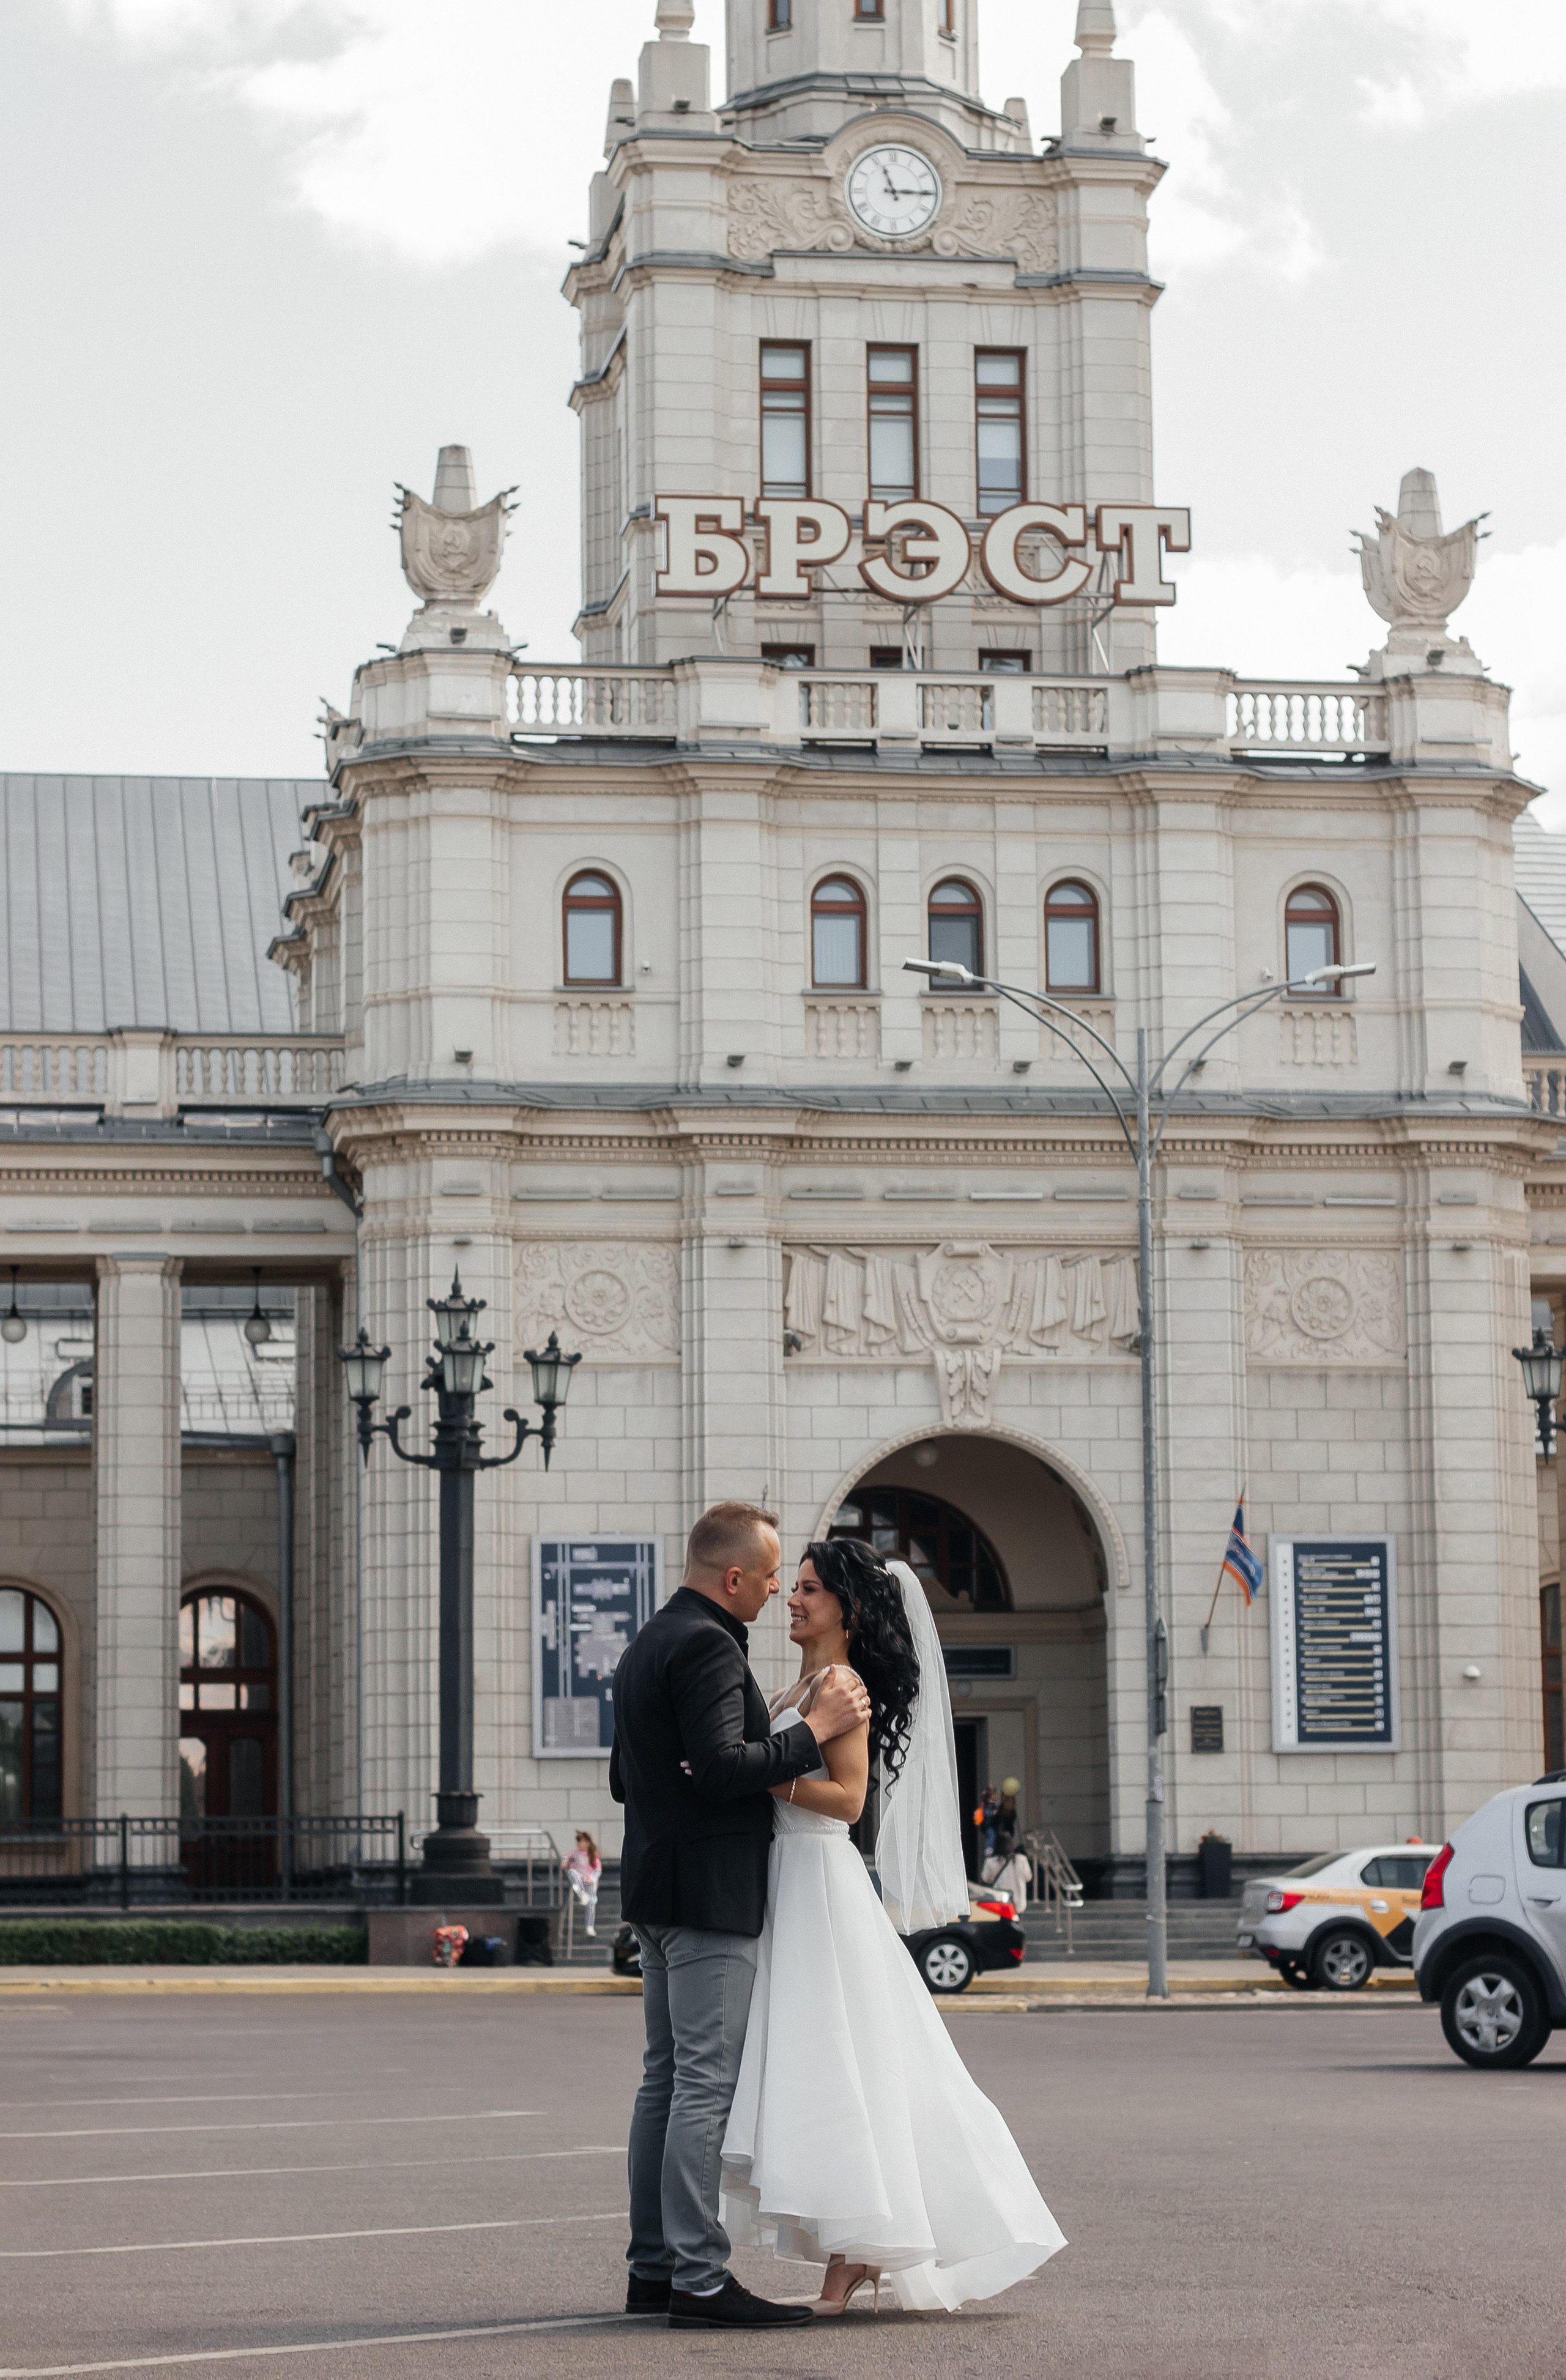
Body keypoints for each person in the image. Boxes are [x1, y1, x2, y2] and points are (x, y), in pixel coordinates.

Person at [721, 1538, 1066, 2314]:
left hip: (817, 1876)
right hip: (785, 1878)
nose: (792, 1599)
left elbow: (847, 1801)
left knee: (841, 2060)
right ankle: (851, 2248)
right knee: (824, 2065)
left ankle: (855, 2254)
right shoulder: (795, 1686)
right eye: (793, 1586)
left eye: (809, 1588)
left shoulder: (840, 1685)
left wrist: (764, 1775)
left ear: (847, 1608)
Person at [609, 1500, 872, 2331]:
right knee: (700, 2085)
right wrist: (813, 1730)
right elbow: (724, 1768)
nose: (775, 1592)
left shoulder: (648, 1640)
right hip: (709, 1896)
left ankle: (653, 2268)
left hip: (654, 1889)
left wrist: (703, 1771)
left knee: (663, 2080)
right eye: (769, 1577)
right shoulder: (710, 1645)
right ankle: (696, 2276)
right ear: (733, 1577)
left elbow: (625, 1777)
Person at [562, 1830, 602, 1937]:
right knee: (572, 1872)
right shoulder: (576, 1853)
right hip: (580, 1881)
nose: (580, 1844)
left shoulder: (593, 1855)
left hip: (590, 1882)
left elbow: (598, 1869)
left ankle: (590, 1926)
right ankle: (581, 1894)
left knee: (591, 1904)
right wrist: (565, 1862)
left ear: (588, 1843)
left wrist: (592, 1879)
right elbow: (566, 1857)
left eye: (583, 1841)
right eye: (579, 1842)